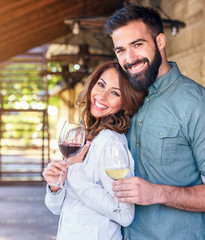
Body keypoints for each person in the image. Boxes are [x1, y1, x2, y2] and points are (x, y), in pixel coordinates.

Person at [102, 4, 205, 239]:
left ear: (160, 41)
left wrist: (157, 193)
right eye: (120, 50)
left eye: (137, 44)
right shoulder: (129, 98)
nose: (129, 58)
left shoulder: (198, 105)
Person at [42, 61, 145, 240]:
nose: (102, 96)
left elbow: (124, 214)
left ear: (125, 103)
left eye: (114, 92)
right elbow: (58, 208)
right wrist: (55, 185)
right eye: (101, 84)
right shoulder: (88, 136)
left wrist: (73, 172)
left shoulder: (111, 143)